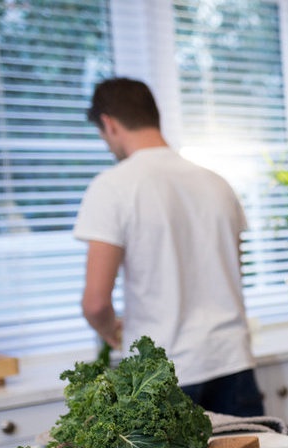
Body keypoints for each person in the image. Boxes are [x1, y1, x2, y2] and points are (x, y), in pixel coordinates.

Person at [74, 77, 264, 417]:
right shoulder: (217, 184)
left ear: (109, 124)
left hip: (161, 376)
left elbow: (95, 303)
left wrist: (111, 332)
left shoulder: (113, 186)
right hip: (232, 362)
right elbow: (232, 274)